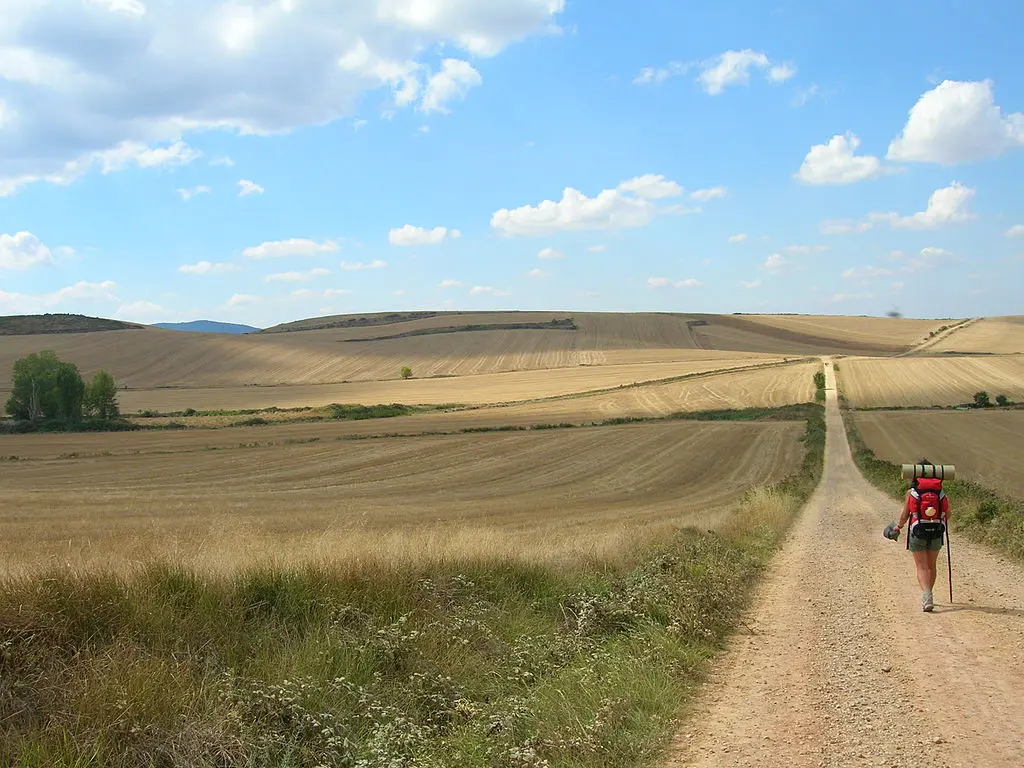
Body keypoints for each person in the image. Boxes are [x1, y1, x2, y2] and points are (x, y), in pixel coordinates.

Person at [892, 458, 950, 612]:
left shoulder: (912, 492)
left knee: (921, 567)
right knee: (931, 566)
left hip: (918, 532)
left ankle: (927, 597)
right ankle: (929, 595)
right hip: (937, 532)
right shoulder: (941, 492)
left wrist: (899, 526)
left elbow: (905, 514)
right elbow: (948, 514)